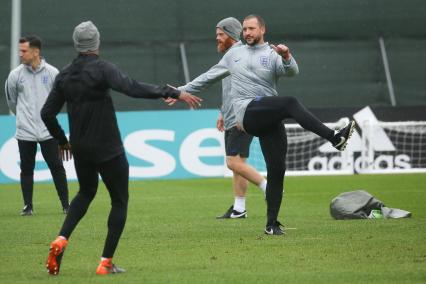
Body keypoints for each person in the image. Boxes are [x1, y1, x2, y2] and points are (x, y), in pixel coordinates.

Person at [41, 21, 201, 275]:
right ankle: (105, 262)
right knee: (119, 201)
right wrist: (171, 91)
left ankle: (61, 238)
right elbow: (132, 88)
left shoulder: (64, 75)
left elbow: (47, 113)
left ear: (75, 44)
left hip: (81, 148)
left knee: (85, 193)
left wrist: (62, 141)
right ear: (97, 44)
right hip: (108, 147)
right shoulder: (103, 69)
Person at [175, 14, 355, 235]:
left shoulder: (271, 53)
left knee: (277, 170)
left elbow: (291, 71)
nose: (247, 33)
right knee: (290, 102)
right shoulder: (234, 54)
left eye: (251, 29)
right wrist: (179, 91)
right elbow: (207, 78)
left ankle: (271, 224)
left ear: (262, 30)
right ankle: (335, 137)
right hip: (246, 113)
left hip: (268, 116)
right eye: (245, 29)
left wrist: (287, 56)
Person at [177, 17, 267, 219]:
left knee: (232, 163)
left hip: (240, 117)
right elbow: (233, 88)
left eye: (220, 34)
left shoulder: (236, 54)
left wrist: (179, 91)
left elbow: (207, 78)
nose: (217, 38)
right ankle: (239, 208)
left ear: (232, 35)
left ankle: (269, 189)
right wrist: (222, 111)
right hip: (233, 115)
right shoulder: (235, 55)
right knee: (238, 165)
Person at [5, 35, 69, 216]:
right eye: (20, 51)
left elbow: (59, 98)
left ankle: (66, 205)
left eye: (24, 51)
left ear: (36, 52)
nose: (20, 54)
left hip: (48, 131)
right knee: (26, 168)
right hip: (25, 131)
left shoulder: (52, 73)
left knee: (57, 167)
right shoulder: (15, 75)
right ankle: (28, 206)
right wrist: (24, 118)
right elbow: (11, 101)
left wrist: (49, 119)